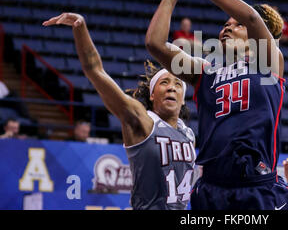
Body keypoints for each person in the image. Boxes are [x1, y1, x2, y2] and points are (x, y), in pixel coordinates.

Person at [145, 0, 288, 210]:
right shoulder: (205, 71)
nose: (227, 28)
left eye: (237, 25)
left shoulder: (269, 61)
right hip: (211, 186)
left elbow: (253, 17)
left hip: (256, 185)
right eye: (225, 24)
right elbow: (155, 44)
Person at [42, 12, 195, 210]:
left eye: (177, 84)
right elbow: (95, 70)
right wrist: (81, 29)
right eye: (164, 82)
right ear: (152, 95)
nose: (172, 87)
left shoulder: (189, 134)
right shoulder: (142, 120)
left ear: (183, 99)